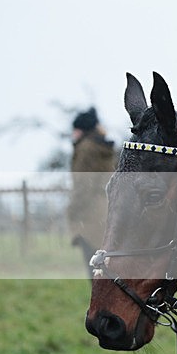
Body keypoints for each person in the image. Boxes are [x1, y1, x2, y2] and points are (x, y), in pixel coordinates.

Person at [67, 107, 116, 279]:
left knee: (95, 271)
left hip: (90, 216)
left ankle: (103, 306)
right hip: (106, 211)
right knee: (108, 269)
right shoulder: (102, 146)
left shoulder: (86, 149)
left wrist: (72, 210)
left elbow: (82, 185)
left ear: (82, 130)